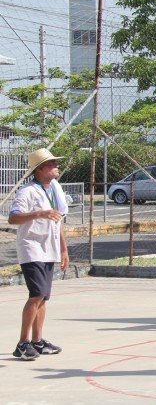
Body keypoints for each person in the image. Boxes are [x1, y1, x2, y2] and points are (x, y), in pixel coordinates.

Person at [9, 148, 69, 360]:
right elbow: (13, 218)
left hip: (49, 249)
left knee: (43, 297)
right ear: (41, 169)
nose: (56, 167)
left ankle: (37, 341)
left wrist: (63, 248)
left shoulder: (54, 189)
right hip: (32, 247)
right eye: (52, 164)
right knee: (36, 295)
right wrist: (39, 213)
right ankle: (22, 343)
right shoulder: (28, 191)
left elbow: (58, 220)